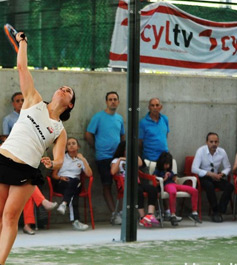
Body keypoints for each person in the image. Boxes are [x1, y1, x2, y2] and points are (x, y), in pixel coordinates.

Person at [0, 30, 75, 265]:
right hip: (2, 162)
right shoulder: (32, 100)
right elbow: (21, 66)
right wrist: (22, 42)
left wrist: (51, 165)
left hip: (26, 170)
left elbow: (57, 160)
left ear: (69, 105)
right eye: (62, 87)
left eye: (69, 92)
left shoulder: (59, 130)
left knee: (11, 217)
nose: (64, 89)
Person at [0, 135, 58, 236]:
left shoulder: (14, 157)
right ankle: (42, 202)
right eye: (0, 142)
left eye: (6, 142)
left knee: (26, 192)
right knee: (25, 186)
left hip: (14, 186)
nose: (3, 144)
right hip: (0, 187)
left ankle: (27, 225)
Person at [85, 91, 125, 224]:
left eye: (115, 99)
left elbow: (122, 136)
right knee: (107, 185)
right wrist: (97, 147)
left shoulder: (119, 118)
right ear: (106, 102)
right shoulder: (98, 117)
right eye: (110, 99)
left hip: (117, 158)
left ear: (118, 102)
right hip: (103, 158)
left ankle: (121, 211)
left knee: (121, 184)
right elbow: (88, 134)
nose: (113, 101)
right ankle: (114, 214)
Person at [110, 141, 159, 228]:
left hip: (136, 183)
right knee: (138, 191)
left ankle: (150, 215)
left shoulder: (133, 159)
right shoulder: (116, 160)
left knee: (152, 189)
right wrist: (121, 159)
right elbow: (113, 171)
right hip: (125, 185)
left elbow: (140, 163)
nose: (128, 151)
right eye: (126, 150)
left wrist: (132, 154)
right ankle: (142, 217)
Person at [51, 137, 92, 231]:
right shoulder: (61, 158)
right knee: (75, 187)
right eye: (68, 144)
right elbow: (53, 175)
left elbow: (89, 174)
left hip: (74, 184)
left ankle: (64, 203)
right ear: (66, 148)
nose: (71, 145)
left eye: (73, 143)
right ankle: (76, 221)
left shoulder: (81, 159)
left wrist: (83, 160)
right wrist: (61, 177)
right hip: (61, 183)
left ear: (78, 146)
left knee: (74, 183)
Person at [191, 132, 233, 223]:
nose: (214, 144)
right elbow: (194, 169)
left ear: (218, 142)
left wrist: (223, 174)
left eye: (216, 142)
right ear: (207, 142)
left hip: (217, 176)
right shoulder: (201, 151)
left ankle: (220, 211)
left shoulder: (222, 152)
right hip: (204, 177)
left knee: (230, 186)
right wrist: (209, 174)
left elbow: (228, 167)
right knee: (209, 186)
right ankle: (215, 211)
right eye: (211, 142)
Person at [153, 152, 201, 226]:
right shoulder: (158, 171)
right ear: (161, 163)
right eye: (165, 164)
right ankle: (173, 214)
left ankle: (194, 212)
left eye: (168, 164)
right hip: (166, 185)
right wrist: (164, 179)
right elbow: (155, 182)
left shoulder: (169, 170)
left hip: (174, 184)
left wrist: (174, 178)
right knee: (172, 192)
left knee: (194, 191)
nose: (167, 166)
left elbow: (175, 177)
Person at [139, 98, 170, 163]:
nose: (155, 107)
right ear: (149, 107)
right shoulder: (143, 123)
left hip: (164, 159)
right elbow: (140, 143)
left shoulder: (165, 119)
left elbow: (165, 135)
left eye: (157, 105)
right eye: (152, 105)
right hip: (150, 159)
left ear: (160, 107)